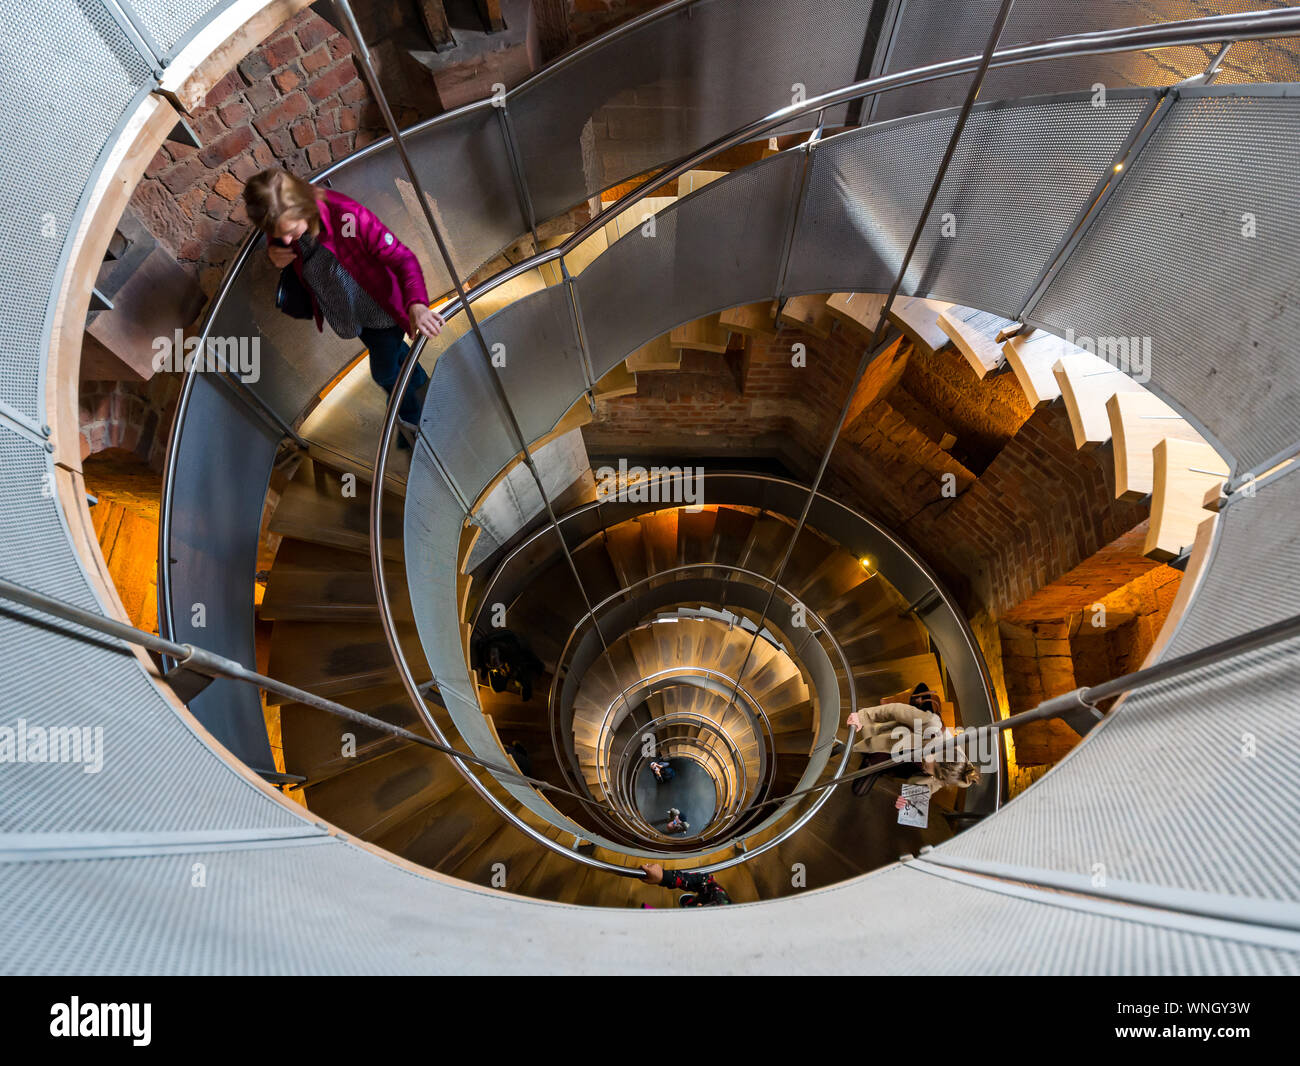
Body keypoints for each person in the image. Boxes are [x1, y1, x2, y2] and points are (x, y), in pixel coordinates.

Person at [243, 169, 443, 444]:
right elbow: (280, 236)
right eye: (279, 234)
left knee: (383, 372)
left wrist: (417, 305)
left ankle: (411, 419)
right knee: (391, 352)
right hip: (350, 312)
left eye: (289, 232)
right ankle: (419, 380)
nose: (287, 240)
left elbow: (403, 258)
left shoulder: (349, 216)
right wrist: (274, 251)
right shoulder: (286, 219)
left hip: (380, 313)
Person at [844, 682, 981, 802]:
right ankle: (875, 761)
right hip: (893, 747)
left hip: (908, 764)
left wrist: (915, 797)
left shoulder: (960, 774)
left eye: (930, 769)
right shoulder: (931, 725)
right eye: (930, 759)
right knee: (860, 788)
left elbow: (935, 784)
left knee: (860, 790)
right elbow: (895, 710)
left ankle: (887, 770)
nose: (925, 761)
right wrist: (862, 716)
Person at [640, 863, 731, 907]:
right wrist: (665, 877)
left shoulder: (720, 901)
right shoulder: (720, 902)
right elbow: (707, 882)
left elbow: (707, 881)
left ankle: (690, 903)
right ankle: (690, 903)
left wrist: (666, 877)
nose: (700, 906)